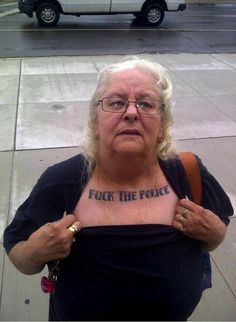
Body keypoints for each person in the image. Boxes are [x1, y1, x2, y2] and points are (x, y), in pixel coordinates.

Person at [3, 57, 233, 321]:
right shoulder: (61, 182)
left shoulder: (189, 174)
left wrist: (215, 235)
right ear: (94, 123)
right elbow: (18, 251)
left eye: (146, 104)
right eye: (116, 102)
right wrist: (34, 252)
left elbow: (217, 229)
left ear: (162, 127)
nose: (132, 112)